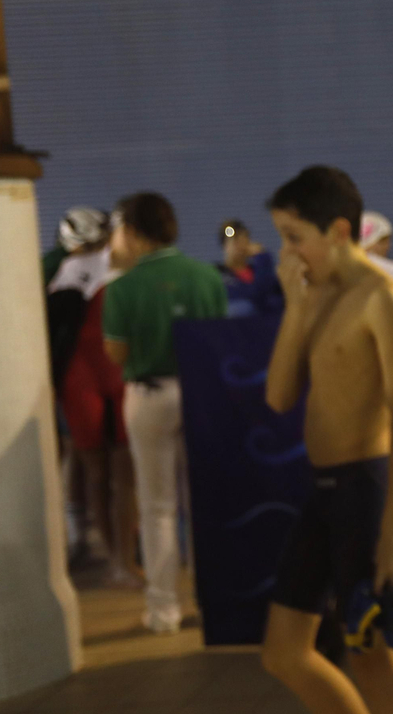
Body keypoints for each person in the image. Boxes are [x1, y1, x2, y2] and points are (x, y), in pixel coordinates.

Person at [260, 166, 393, 714]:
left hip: (365, 491)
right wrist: (295, 308)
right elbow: (279, 396)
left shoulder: (384, 298)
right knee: (284, 651)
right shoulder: (318, 295)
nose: (286, 253)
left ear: (336, 231)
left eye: (293, 237)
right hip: (324, 491)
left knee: (372, 657)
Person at [103, 193, 227, 633]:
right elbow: (221, 339)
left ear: (133, 232)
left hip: (149, 396)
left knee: (157, 506)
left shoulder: (121, 287)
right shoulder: (206, 277)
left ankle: (163, 610)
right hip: (200, 395)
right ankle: (213, 604)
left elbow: (116, 353)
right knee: (203, 502)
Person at [48, 209, 139, 585]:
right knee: (107, 473)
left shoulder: (119, 270)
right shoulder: (67, 272)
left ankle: (124, 558)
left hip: (104, 374)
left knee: (113, 473)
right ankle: (119, 558)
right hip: (86, 377)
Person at [217, 219, 284, 317]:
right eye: (235, 240)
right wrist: (262, 257)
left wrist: (262, 259)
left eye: (244, 239)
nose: (241, 245)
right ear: (225, 245)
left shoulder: (260, 270)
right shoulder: (219, 274)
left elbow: (275, 295)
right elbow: (254, 296)